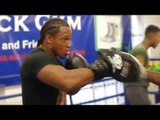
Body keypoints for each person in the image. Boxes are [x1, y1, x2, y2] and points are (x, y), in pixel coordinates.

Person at [20, 18, 146, 105]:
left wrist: (97, 71)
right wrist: (105, 66)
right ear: (49, 38)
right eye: (65, 39)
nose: (69, 44)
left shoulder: (55, 62)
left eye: (69, 39)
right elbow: (67, 83)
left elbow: (71, 90)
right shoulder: (36, 59)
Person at [125, 25, 160, 105]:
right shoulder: (140, 50)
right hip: (136, 88)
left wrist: (152, 69)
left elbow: (141, 69)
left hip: (137, 88)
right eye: (158, 36)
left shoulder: (141, 50)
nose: (159, 40)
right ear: (151, 35)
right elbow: (140, 73)